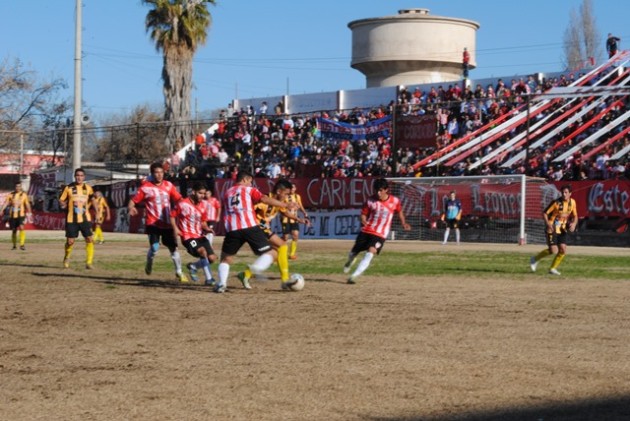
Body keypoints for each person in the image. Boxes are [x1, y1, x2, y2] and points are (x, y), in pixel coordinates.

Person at [215, 171, 298, 293]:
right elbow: (263, 199)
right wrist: (285, 204)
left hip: (232, 229)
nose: (250, 184)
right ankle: (255, 269)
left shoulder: (227, 193)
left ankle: (221, 284)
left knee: (225, 259)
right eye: (249, 181)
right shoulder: (249, 190)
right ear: (245, 180)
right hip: (250, 226)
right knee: (274, 253)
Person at [238, 178, 310, 290]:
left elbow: (284, 211)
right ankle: (285, 280)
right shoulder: (265, 200)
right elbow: (251, 209)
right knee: (282, 246)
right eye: (285, 194)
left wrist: (298, 219)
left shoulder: (278, 202)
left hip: (263, 228)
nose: (286, 197)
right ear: (278, 192)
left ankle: (246, 274)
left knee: (276, 253)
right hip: (256, 228)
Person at [343, 178, 411, 284]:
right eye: (376, 190)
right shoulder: (370, 201)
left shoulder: (395, 201)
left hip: (380, 234)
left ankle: (353, 276)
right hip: (367, 230)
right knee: (353, 253)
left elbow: (399, 211)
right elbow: (363, 214)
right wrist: (363, 219)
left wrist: (404, 223)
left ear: (386, 190)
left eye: (380, 190)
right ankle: (350, 261)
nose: (378, 193)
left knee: (371, 251)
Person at [128, 162, 188, 283]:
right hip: (153, 223)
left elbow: (179, 199)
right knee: (155, 247)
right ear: (152, 174)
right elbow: (133, 201)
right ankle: (149, 263)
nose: (159, 175)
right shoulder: (145, 187)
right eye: (156, 172)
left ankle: (179, 272)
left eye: (161, 172)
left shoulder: (169, 185)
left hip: (167, 223)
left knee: (173, 249)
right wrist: (131, 208)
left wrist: (185, 207)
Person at [170, 182, 218, 285]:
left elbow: (203, 222)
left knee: (212, 258)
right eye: (200, 193)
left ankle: (194, 266)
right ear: (193, 192)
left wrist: (207, 228)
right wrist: (175, 229)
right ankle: (209, 279)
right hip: (188, 237)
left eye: (204, 194)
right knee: (202, 251)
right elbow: (172, 216)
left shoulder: (203, 206)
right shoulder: (182, 204)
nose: (203, 196)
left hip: (200, 236)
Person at [530, 184, 578, 276]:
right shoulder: (556, 203)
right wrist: (548, 224)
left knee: (563, 249)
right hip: (552, 228)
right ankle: (535, 259)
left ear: (570, 194)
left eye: (566, 192)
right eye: (562, 192)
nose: (564, 194)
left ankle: (552, 269)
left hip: (562, 229)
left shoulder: (572, 203)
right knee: (553, 250)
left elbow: (575, 216)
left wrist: (574, 224)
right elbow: (545, 213)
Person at [59, 168, 98, 269]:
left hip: (85, 218)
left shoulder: (88, 188)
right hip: (72, 219)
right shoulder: (68, 188)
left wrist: (97, 212)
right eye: (77, 175)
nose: (79, 177)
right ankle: (67, 257)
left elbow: (93, 200)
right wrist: (64, 204)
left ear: (84, 177)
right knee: (70, 241)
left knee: (89, 239)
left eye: (81, 175)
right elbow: (61, 200)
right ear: (74, 176)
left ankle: (89, 263)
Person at [0, 182, 32, 250]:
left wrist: (30, 212)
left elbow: (27, 204)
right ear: (15, 187)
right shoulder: (11, 195)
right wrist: (1, 210)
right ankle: (14, 245)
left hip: (21, 215)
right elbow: (6, 203)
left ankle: (22, 245)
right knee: (14, 230)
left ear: (21, 187)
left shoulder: (24, 195)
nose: (18, 188)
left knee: (21, 227)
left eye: (19, 186)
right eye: (16, 186)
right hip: (12, 215)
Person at [281, 183, 309, 260]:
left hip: (294, 218)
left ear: (295, 188)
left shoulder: (297, 196)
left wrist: (304, 212)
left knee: (295, 235)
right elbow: (281, 205)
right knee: (285, 238)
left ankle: (292, 254)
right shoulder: (284, 196)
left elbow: (300, 205)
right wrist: (289, 206)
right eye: (291, 188)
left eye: (293, 187)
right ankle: (278, 248)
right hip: (285, 218)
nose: (292, 189)